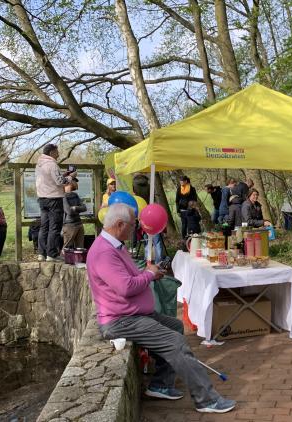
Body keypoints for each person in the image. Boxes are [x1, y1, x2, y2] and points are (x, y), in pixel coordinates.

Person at [86, 203, 236, 413]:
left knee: (174, 326)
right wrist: (148, 275)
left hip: (133, 314)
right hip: (120, 320)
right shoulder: (104, 252)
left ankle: (161, 385)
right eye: (132, 225)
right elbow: (125, 287)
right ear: (119, 225)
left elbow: (129, 278)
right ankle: (207, 400)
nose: (135, 230)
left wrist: (150, 272)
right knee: (176, 342)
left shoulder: (114, 246)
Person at [36, 144, 75, 262]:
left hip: (42, 199)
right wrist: (70, 177)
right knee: (55, 227)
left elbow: (50, 179)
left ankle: (41, 254)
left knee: (44, 227)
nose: (58, 154)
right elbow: (59, 182)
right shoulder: (52, 164)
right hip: (54, 199)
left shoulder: (39, 164)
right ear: (52, 152)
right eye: (57, 151)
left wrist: (63, 174)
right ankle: (51, 254)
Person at [62, 178, 87, 250]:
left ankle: (78, 260)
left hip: (79, 223)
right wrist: (78, 208)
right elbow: (68, 211)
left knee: (80, 248)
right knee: (66, 247)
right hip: (69, 225)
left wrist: (75, 208)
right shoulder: (63, 197)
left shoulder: (75, 195)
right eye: (73, 181)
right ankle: (65, 260)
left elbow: (84, 208)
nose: (75, 183)